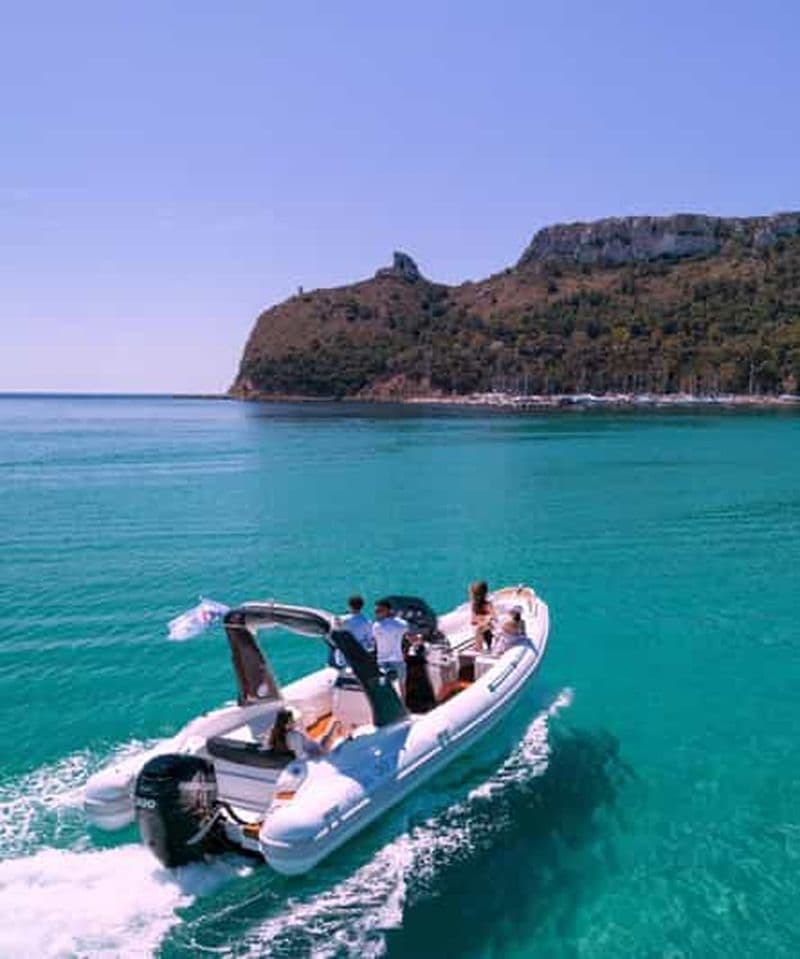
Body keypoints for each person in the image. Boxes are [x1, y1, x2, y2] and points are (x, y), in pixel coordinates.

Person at [267, 706, 340, 760]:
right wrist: (316, 755)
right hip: (313, 757)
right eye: (293, 721)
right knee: (328, 737)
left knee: (325, 738)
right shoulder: (294, 736)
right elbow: (301, 756)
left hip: (310, 752)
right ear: (288, 723)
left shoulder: (274, 733)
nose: (295, 722)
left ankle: (336, 724)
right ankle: (337, 723)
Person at [371, 598, 409, 696]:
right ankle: (403, 707)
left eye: (379, 611)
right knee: (402, 686)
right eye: (376, 611)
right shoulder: (401, 624)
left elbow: (374, 641)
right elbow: (407, 635)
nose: (376, 613)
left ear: (387, 610)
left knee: (383, 688)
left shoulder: (376, 626)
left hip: (382, 661)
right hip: (398, 659)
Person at [469, 580, 496, 651]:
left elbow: (493, 616)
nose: (471, 595)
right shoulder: (473, 604)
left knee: (479, 630)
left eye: (472, 594)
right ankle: (479, 645)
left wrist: (486, 621)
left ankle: (479, 647)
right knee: (477, 629)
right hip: (479, 624)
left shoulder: (487, 604)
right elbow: (473, 616)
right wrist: (474, 621)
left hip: (487, 625)